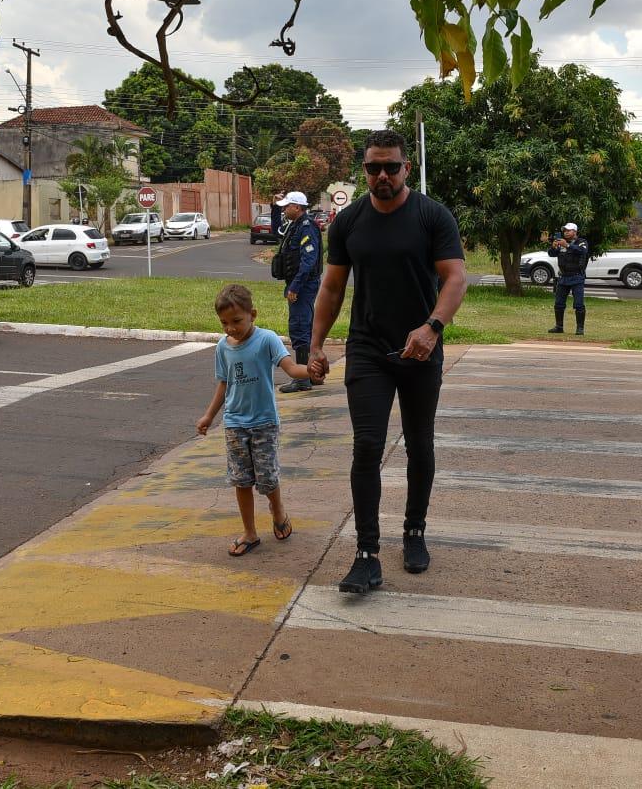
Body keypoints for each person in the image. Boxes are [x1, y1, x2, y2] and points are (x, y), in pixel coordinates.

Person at [308, 129, 468, 595]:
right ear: (364, 170)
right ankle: (366, 554)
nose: (382, 176)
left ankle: (414, 531)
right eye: (373, 167)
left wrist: (432, 328)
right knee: (366, 448)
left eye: (390, 167)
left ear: (406, 168)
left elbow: (455, 278)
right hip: (368, 349)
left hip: (421, 349)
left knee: (420, 445)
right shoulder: (348, 222)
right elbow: (332, 287)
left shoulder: (432, 216)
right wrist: (316, 346)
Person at [196, 283, 319, 558]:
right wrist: (209, 415)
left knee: (267, 479)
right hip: (235, 423)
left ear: (253, 314)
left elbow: (289, 368)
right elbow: (223, 384)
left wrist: (309, 371)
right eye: (224, 323)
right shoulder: (222, 347)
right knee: (241, 480)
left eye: (236, 321)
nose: (230, 328)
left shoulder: (267, 339)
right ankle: (250, 532)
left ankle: (278, 511)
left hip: (264, 422)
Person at [275, 190, 323, 393]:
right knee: (306, 328)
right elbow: (275, 230)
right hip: (298, 283)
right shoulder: (294, 226)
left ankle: (303, 379)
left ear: (297, 207)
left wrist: (295, 287)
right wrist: (274, 208)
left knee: (300, 328)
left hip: (303, 285)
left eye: (287, 206)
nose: (284, 209)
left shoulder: (306, 227)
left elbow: (309, 261)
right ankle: (312, 375)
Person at [547, 222, 589, 334]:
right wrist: (553, 247)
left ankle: (580, 328)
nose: (566, 232)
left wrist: (568, 245)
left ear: (575, 232)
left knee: (578, 304)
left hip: (577, 277)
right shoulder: (561, 243)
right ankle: (559, 327)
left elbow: (583, 251)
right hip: (563, 277)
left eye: (568, 230)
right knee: (559, 303)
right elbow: (551, 254)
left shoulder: (582, 242)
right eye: (564, 230)